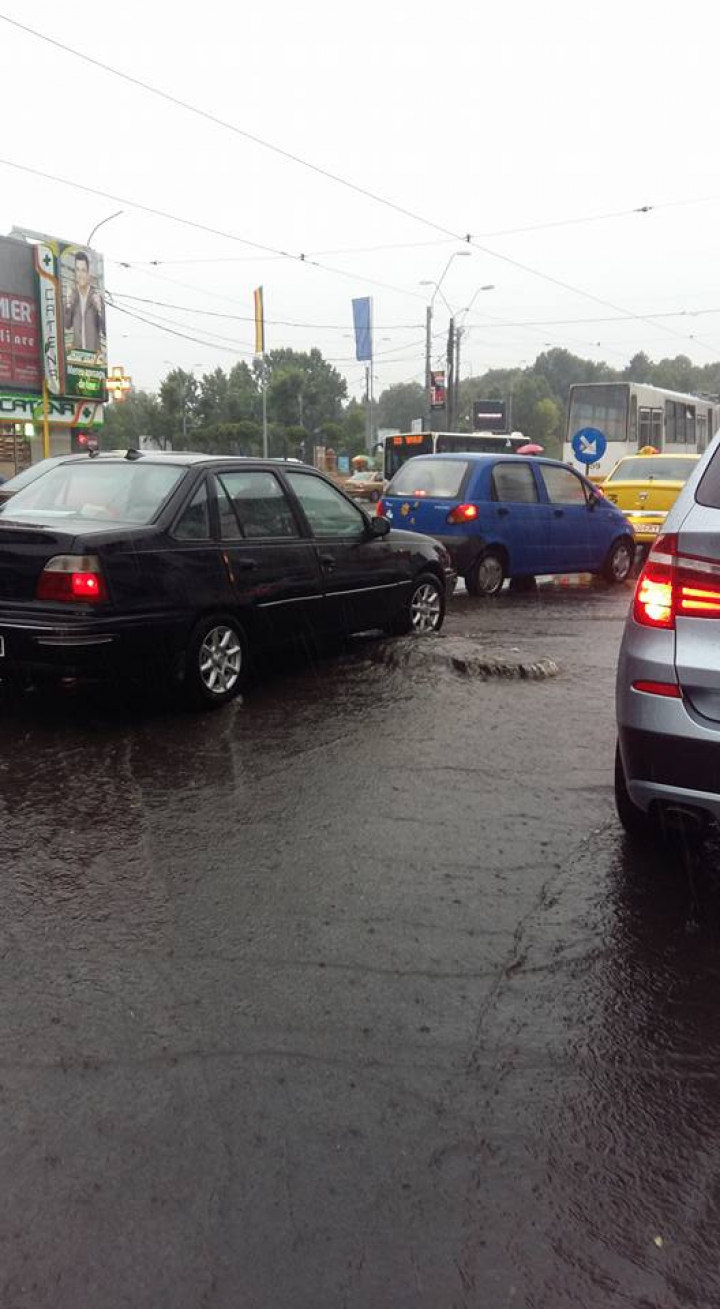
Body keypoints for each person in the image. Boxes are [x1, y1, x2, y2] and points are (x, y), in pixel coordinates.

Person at [64, 251, 104, 354]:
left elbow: (103, 329)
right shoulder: (72, 295)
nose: (80, 274)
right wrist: (68, 304)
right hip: (77, 355)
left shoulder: (95, 296)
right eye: (77, 270)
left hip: (94, 355)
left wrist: (99, 310)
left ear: (88, 273)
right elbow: (67, 324)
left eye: (83, 270)